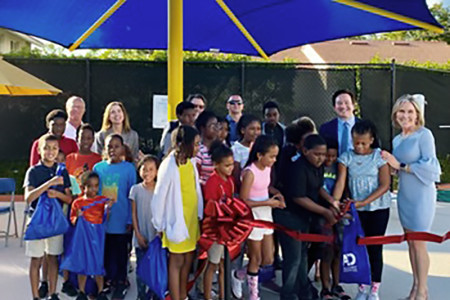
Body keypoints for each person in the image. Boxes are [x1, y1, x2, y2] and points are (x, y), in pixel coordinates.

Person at [381, 94, 441, 300]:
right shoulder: (398, 139)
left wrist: (401, 166)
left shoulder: (424, 135)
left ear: (417, 115)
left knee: (419, 242)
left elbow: (432, 168)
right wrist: (392, 167)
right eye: (401, 111)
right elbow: (398, 168)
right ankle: (415, 287)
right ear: (395, 114)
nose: (405, 116)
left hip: (421, 195)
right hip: (405, 194)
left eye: (410, 112)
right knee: (410, 242)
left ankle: (423, 290)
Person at [274, 134, 338, 300]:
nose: (321, 158)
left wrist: (332, 201)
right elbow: (298, 197)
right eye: (317, 154)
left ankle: (302, 290)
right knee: (293, 258)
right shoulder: (297, 168)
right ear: (305, 150)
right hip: (289, 216)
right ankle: (288, 293)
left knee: (302, 256)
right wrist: (324, 212)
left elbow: (317, 187)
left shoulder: (318, 166)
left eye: (323, 155)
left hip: (304, 218)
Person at [333, 120, 390, 300]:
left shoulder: (379, 157)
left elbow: (385, 185)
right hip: (357, 211)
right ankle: (362, 286)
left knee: (375, 248)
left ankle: (375, 288)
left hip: (378, 209)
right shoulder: (346, 157)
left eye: (364, 143)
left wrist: (364, 201)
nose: (359, 146)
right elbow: (341, 181)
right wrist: (335, 201)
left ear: (372, 140)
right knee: (360, 248)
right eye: (356, 142)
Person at [151, 126, 203, 300]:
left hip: (190, 219)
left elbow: (195, 190)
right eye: (195, 144)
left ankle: (182, 294)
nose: (198, 148)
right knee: (176, 262)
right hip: (176, 220)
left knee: (188, 259)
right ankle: (175, 296)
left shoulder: (191, 162)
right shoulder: (169, 165)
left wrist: (199, 215)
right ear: (183, 144)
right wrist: (158, 223)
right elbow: (159, 196)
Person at [23, 134, 72, 300]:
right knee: (36, 259)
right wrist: (48, 185)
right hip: (37, 220)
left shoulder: (62, 171)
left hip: (55, 221)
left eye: (54, 148)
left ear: (58, 150)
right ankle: (36, 296)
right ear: (39, 150)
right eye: (46, 148)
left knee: (53, 257)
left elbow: (69, 198)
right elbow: (28, 197)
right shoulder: (33, 171)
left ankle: (52, 293)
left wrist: (57, 195)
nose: (50, 151)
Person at [239, 135, 285, 300]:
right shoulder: (249, 172)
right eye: (271, 156)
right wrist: (267, 202)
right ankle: (254, 294)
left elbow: (266, 187)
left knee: (268, 258)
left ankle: (239, 274)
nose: (274, 160)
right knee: (255, 257)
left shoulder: (267, 169)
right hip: (253, 216)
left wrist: (276, 194)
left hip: (266, 213)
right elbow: (243, 201)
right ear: (259, 155)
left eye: (276, 156)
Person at [93, 134, 136, 300]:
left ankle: (121, 282)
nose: (113, 150)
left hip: (122, 221)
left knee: (120, 253)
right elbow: (95, 194)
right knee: (106, 252)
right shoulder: (99, 168)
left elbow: (131, 196)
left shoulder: (129, 169)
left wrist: (129, 220)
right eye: (109, 146)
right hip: (103, 222)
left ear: (123, 148)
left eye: (116, 146)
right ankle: (106, 282)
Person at [68, 171, 109, 300]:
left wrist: (108, 208)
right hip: (83, 238)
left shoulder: (102, 200)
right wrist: (77, 217)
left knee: (98, 263)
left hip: (97, 236)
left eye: (96, 186)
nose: (93, 189)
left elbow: (106, 217)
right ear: (83, 187)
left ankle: (101, 291)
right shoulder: (78, 203)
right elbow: (72, 220)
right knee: (83, 264)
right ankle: (82, 292)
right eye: (90, 186)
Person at [202, 141, 235, 300]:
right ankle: (207, 296)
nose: (230, 168)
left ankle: (223, 295)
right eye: (227, 165)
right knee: (212, 263)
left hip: (226, 229)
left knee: (224, 264)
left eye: (231, 165)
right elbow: (210, 206)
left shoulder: (230, 181)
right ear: (216, 165)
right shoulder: (212, 182)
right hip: (215, 230)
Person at [130, 155, 160, 300]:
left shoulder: (160, 190)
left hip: (156, 237)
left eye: (151, 169)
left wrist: (160, 234)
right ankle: (141, 296)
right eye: (144, 169)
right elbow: (134, 214)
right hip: (140, 236)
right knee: (140, 270)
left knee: (155, 269)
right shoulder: (135, 190)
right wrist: (138, 234)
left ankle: (154, 294)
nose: (147, 173)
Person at [319, 89, 359, 156]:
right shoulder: (325, 128)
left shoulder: (365, 127)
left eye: (347, 103)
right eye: (339, 103)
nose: (343, 106)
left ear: (353, 106)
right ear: (334, 107)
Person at [231, 114, 261, 185]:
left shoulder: (260, 147)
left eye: (258, 129)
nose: (256, 132)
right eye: (252, 129)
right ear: (243, 130)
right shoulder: (236, 149)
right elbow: (236, 176)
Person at [195, 111, 220, 185]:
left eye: (217, 125)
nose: (216, 129)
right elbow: (196, 176)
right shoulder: (198, 150)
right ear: (202, 128)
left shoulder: (222, 147)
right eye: (212, 126)